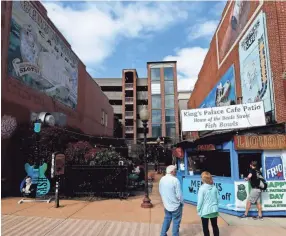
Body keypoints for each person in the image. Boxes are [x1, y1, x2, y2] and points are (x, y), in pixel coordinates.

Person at [159, 165, 183, 236]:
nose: (176, 172)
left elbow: (160, 191)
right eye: (175, 171)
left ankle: (163, 234)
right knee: (176, 222)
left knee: (167, 219)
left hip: (166, 205)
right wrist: (181, 203)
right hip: (176, 205)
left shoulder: (162, 179)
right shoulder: (175, 180)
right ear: (172, 172)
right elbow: (179, 195)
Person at [197, 171, 219, 236]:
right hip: (214, 210)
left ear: (203, 179)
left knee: (205, 227)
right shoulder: (214, 187)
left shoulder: (202, 188)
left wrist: (198, 209)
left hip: (205, 211)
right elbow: (218, 199)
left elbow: (200, 201)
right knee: (215, 226)